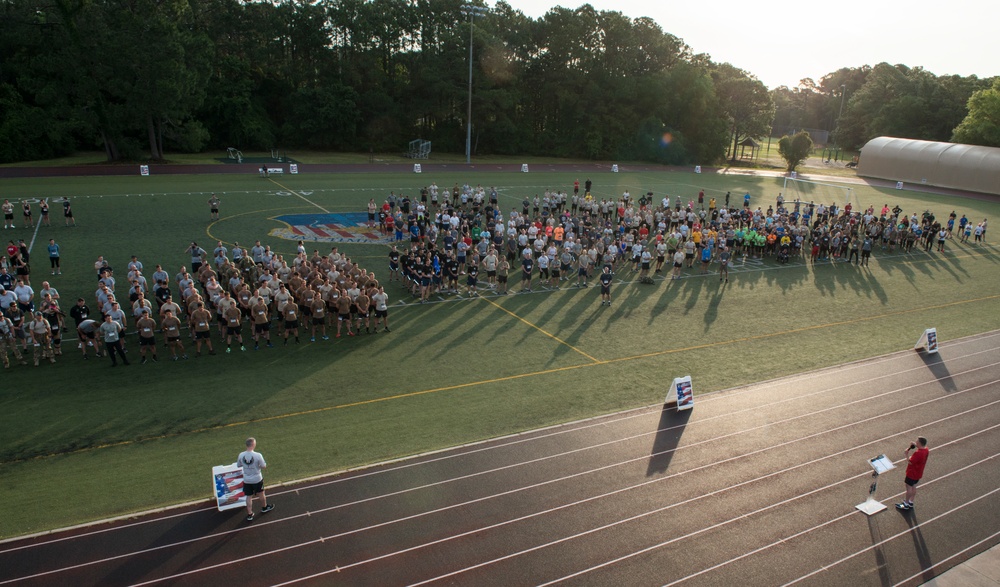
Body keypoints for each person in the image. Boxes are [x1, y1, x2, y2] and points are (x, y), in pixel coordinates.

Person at [237, 437, 274, 522]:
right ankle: (264, 507)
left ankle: (250, 514)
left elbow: (238, 465)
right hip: (257, 479)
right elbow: (264, 466)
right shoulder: (258, 455)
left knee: (248, 496)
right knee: (261, 493)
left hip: (247, 479)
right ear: (253, 445)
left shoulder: (241, 455)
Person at [896, 437, 929, 512]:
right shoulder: (926, 450)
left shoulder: (918, 453)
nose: (915, 442)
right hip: (918, 473)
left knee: (909, 488)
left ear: (919, 443)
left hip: (912, 473)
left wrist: (906, 454)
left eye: (917, 442)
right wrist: (915, 445)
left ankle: (906, 504)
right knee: (914, 486)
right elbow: (921, 448)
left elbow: (910, 462)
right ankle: (911, 501)